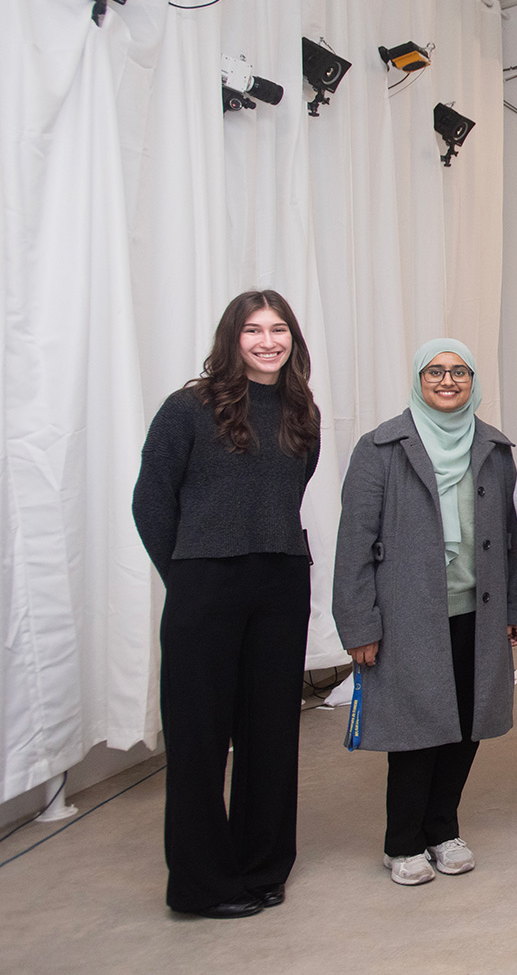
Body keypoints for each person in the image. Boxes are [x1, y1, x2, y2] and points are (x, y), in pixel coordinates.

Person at [133, 289, 322, 919]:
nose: (268, 342)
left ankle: (263, 866)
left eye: (279, 331)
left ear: (293, 339)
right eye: (253, 330)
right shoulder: (188, 408)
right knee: (199, 737)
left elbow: (291, 491)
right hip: (206, 587)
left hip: (281, 582)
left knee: (271, 733)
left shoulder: (302, 411)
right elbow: (151, 501)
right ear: (231, 338)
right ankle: (199, 885)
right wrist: (186, 573)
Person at [333, 340, 517, 885]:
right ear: (418, 380)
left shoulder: (493, 447)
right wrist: (359, 624)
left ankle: (443, 829)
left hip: (477, 611)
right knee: (416, 730)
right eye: (436, 371)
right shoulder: (380, 448)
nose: (448, 381)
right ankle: (402, 841)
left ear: (473, 381)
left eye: (459, 371)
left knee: (467, 725)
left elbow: (512, 539)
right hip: (406, 618)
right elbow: (353, 544)